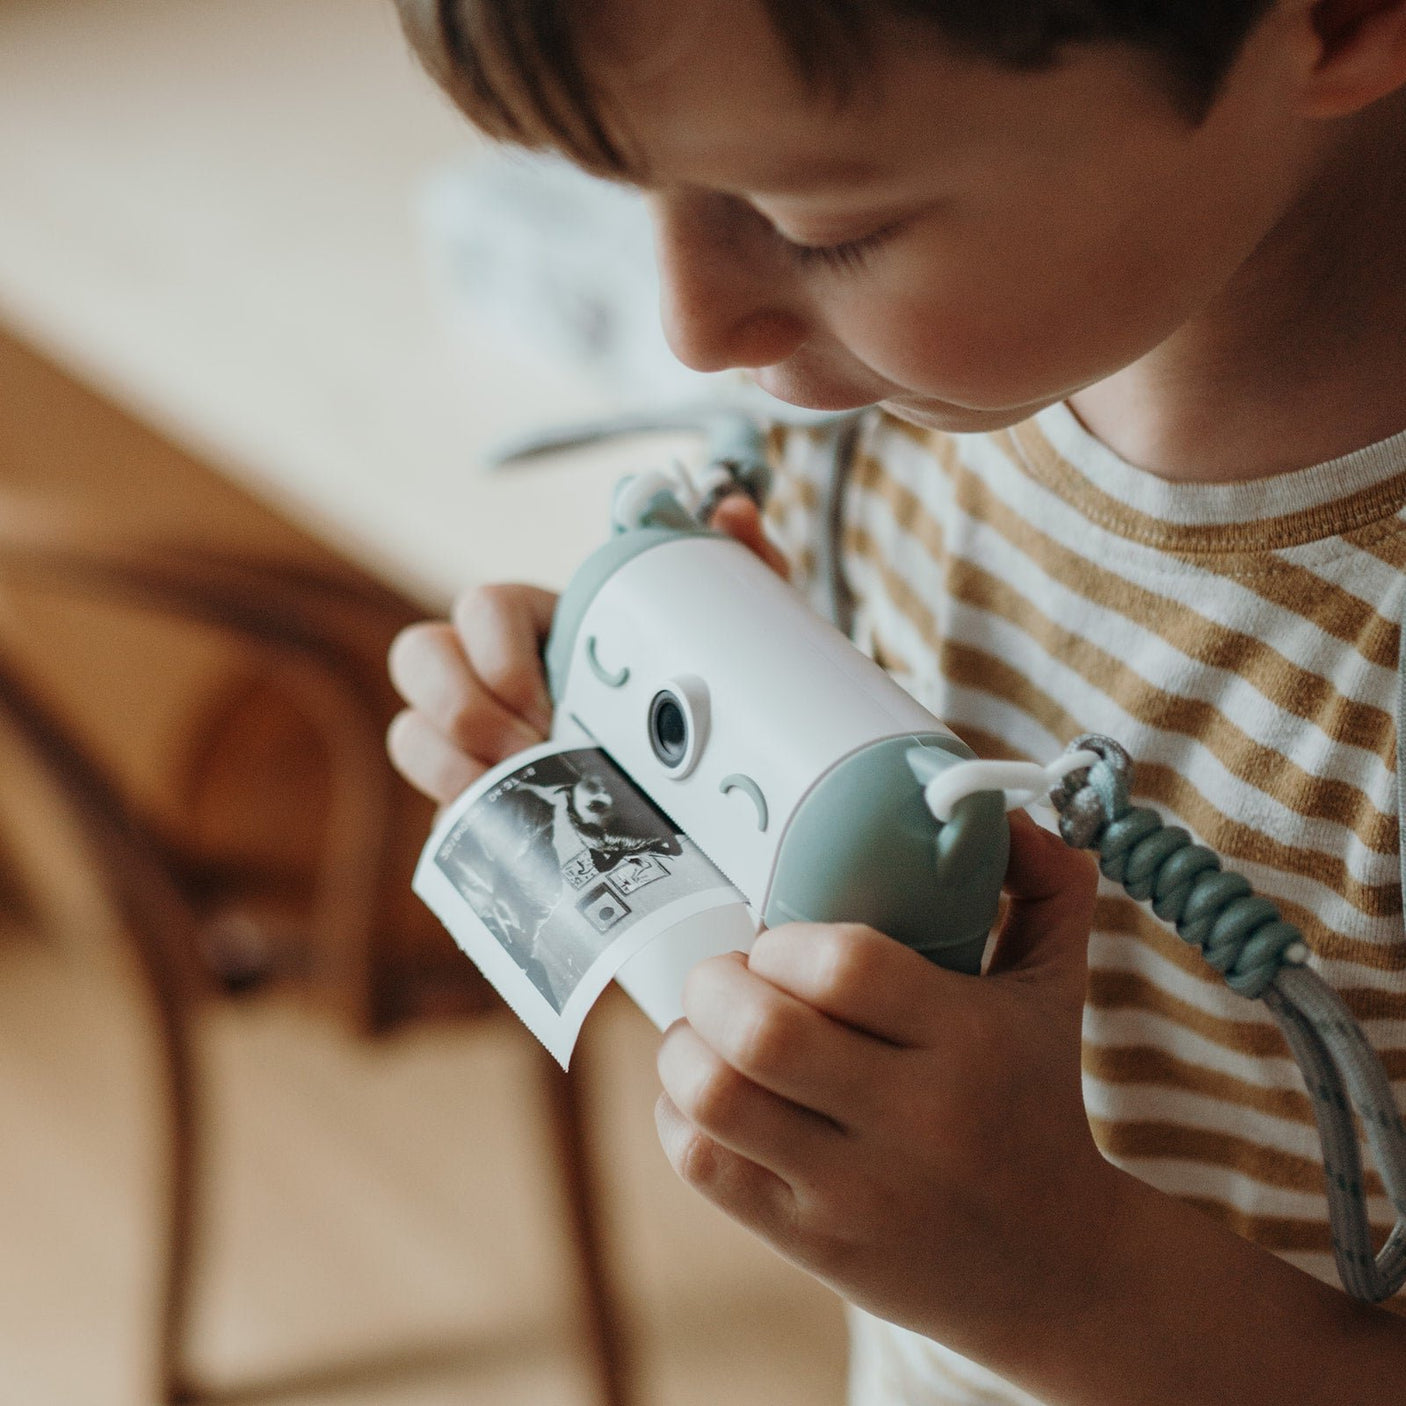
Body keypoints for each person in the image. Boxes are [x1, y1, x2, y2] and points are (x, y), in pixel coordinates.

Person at [383, 2, 1406, 1402]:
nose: (691, 330)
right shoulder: (889, 413)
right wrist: (612, 794)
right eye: (620, 185)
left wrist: (1068, 1280)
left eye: (820, 227)